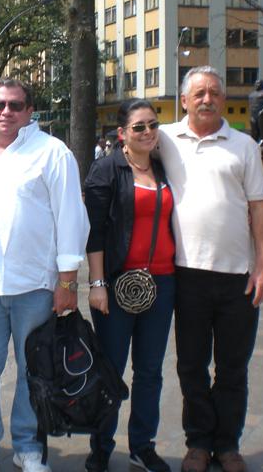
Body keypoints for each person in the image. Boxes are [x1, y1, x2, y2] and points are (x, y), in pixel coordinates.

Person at [0, 78, 89, 472]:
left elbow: (71, 220)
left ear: (29, 111)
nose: (5, 112)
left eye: (15, 106)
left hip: (34, 285)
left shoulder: (53, 153)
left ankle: (28, 445)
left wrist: (67, 282)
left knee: (35, 370)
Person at [159, 66, 263, 472]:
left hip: (237, 277)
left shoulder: (243, 145)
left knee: (232, 368)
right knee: (190, 365)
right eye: (199, 93)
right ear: (184, 100)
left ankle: (227, 445)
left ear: (224, 100)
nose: (207, 99)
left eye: (214, 93)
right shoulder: (166, 138)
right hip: (185, 275)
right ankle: (198, 443)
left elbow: (258, 207)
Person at [84, 99, 175, 472]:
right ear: (122, 133)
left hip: (163, 282)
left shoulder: (166, 167)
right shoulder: (107, 169)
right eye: (139, 127)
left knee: (150, 370)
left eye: (153, 125)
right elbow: (95, 233)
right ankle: (101, 445)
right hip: (117, 284)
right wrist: (97, 282)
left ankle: (142, 444)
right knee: (110, 368)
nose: (148, 132)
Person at [247, 80, 263, 145]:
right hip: (253, 115)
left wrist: (262, 111)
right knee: (254, 131)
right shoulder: (251, 94)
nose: (256, 85)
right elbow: (250, 105)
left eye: (258, 83)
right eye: (256, 83)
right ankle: (254, 143)